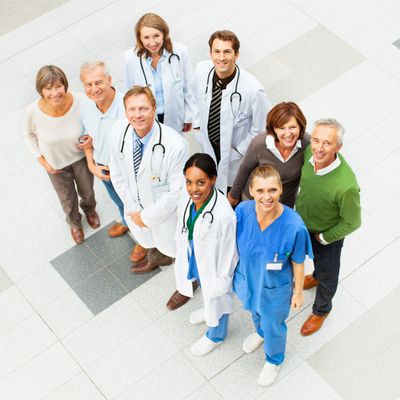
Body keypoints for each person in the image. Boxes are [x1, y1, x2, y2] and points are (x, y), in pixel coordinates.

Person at [234, 165, 313, 386]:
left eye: (272, 190)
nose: (266, 197)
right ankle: (260, 333)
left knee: (274, 324)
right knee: (254, 311)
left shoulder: (294, 226)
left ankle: (274, 359)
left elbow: (298, 261)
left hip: (274, 289)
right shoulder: (243, 211)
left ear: (280, 190)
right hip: (248, 280)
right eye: (260, 191)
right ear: (251, 191)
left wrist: (298, 292)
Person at [109, 85, 189, 273]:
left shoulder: (176, 146)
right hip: (135, 209)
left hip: (166, 215)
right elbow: (117, 173)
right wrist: (134, 208)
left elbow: (175, 193)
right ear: (125, 111)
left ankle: (188, 283)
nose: (137, 115)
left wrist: (147, 216)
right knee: (151, 241)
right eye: (132, 109)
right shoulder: (118, 131)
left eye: (143, 108)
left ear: (154, 108)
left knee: (179, 251)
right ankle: (157, 258)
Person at [295, 119, 361, 336]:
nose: (319, 148)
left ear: (338, 147)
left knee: (329, 274)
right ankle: (316, 274)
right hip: (304, 225)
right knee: (315, 263)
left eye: (327, 143)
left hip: (326, 235)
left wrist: (325, 238)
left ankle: (321, 310)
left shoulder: (346, 185)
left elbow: (353, 221)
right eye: (316, 140)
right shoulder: (308, 155)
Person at [170, 153, 238, 355]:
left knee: (217, 297)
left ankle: (216, 335)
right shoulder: (189, 196)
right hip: (194, 254)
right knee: (205, 289)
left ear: (213, 179)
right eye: (189, 182)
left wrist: (222, 282)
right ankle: (210, 310)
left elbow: (229, 253)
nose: (193, 189)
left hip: (215, 267)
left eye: (201, 182)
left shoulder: (224, 214)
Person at [23, 65, 99, 245]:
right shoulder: (33, 111)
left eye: (58, 86)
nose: (55, 92)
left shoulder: (80, 101)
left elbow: (93, 122)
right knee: (67, 198)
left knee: (87, 191)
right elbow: (28, 135)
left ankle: (90, 211)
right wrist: (42, 161)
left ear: (65, 85)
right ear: (41, 90)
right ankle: (74, 223)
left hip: (80, 158)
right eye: (48, 88)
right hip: (55, 164)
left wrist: (91, 138)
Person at [193, 30, 271, 193]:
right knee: (210, 186)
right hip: (208, 144)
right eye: (217, 51)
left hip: (235, 155)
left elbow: (262, 128)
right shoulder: (202, 70)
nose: (221, 58)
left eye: (227, 52)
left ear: (236, 55)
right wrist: (197, 124)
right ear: (210, 53)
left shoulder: (253, 90)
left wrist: (240, 150)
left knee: (231, 194)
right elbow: (193, 96)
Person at [123, 13, 195, 133]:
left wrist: (189, 116)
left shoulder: (180, 51)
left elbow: (189, 87)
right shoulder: (130, 58)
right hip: (145, 117)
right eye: (146, 37)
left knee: (175, 148)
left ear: (164, 34)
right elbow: (129, 91)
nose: (152, 42)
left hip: (175, 116)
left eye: (156, 36)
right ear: (139, 38)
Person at [79, 61, 128, 238]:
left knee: (136, 205)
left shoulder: (127, 108)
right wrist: (92, 166)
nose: (94, 89)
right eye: (88, 85)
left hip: (127, 172)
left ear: (109, 79)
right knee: (119, 201)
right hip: (104, 170)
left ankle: (144, 242)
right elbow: (87, 140)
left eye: (98, 82)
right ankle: (126, 221)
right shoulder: (86, 106)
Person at [229, 102, 310, 208]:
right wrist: (234, 194)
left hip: (284, 204)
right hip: (254, 201)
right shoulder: (259, 144)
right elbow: (244, 169)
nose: (288, 133)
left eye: (292, 127)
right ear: (274, 129)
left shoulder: (307, 144)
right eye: (282, 128)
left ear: (300, 127)